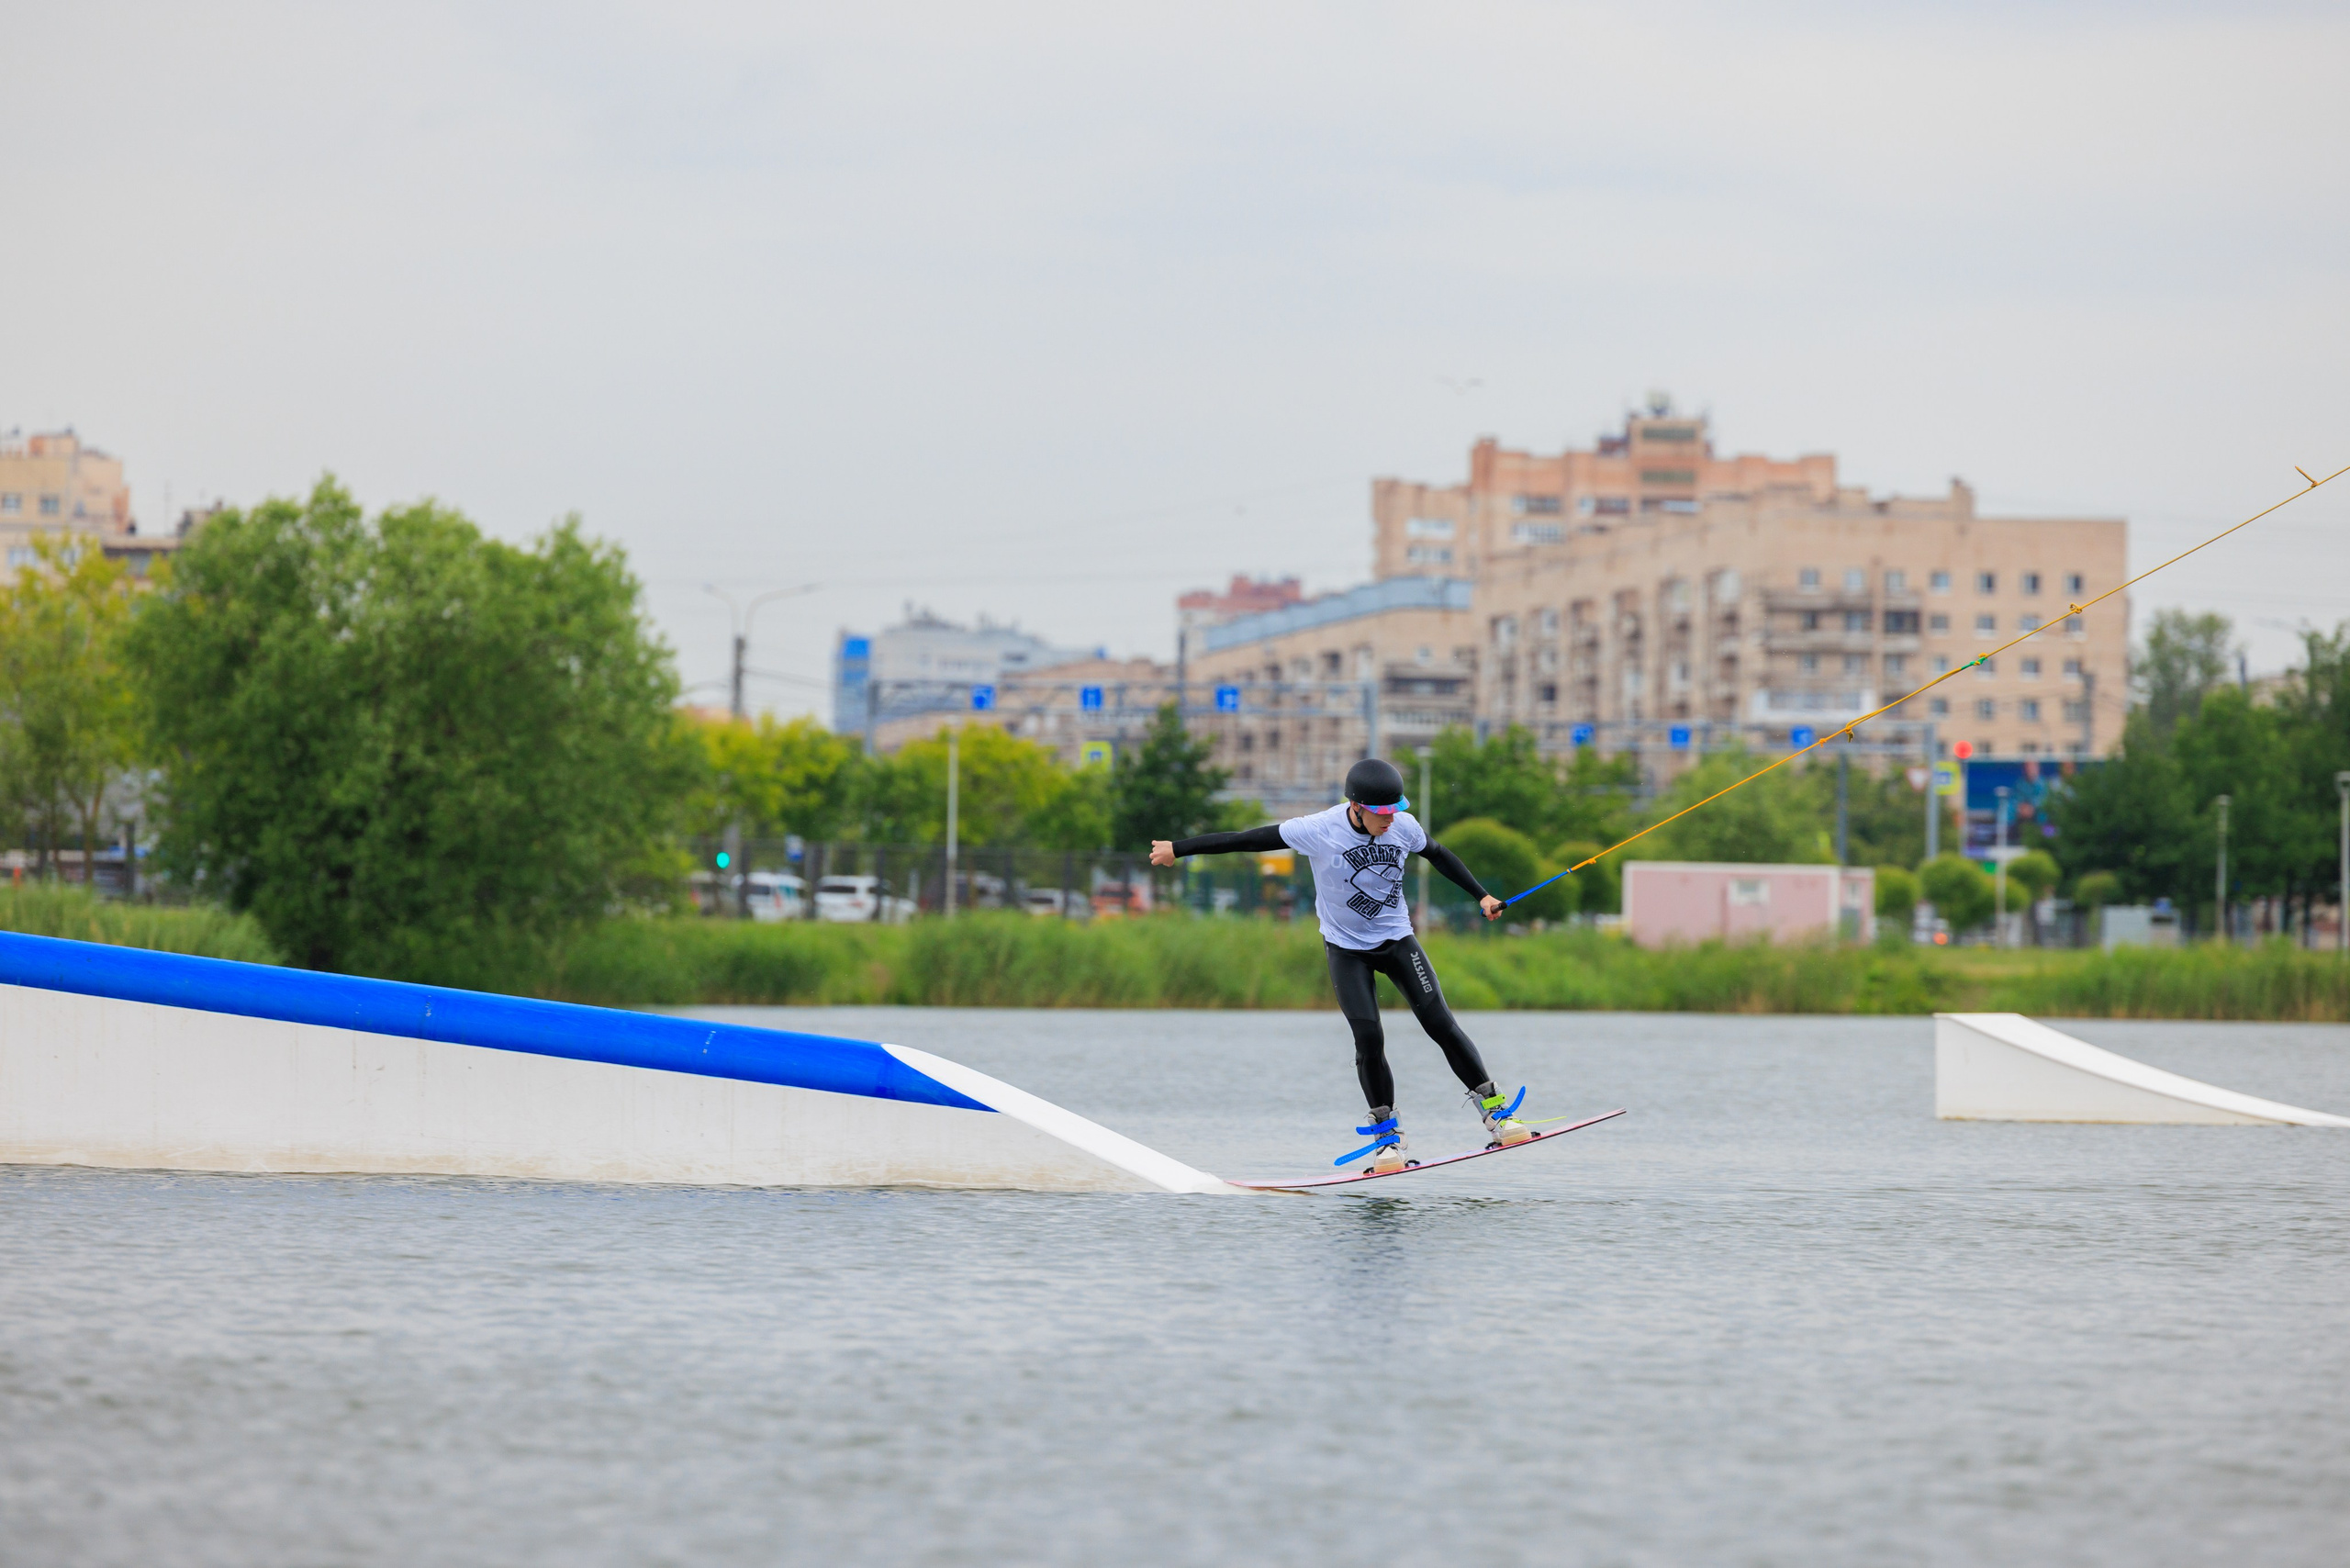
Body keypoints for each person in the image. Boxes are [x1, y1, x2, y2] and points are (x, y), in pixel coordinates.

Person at [1148, 757, 1534, 1171]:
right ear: (1356, 806)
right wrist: (1179, 849)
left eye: (1395, 811)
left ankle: (1497, 1114)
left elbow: (1439, 854)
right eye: (1381, 813)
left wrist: (1481, 895)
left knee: (1440, 1023)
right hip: (1346, 949)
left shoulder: (1403, 826)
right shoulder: (1318, 829)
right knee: (1368, 1037)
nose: (1390, 820)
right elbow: (1247, 839)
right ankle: (1388, 1140)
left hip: (1397, 940)